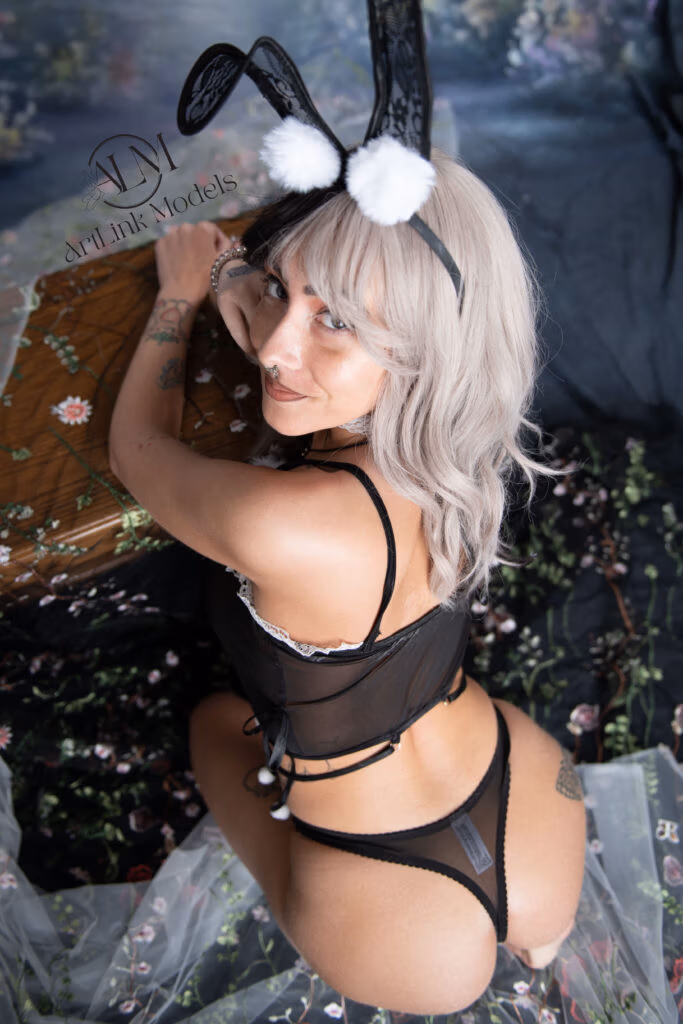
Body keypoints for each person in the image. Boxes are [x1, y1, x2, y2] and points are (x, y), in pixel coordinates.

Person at [188, 139, 586, 1015]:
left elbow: (134, 453)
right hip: (527, 804)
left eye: (335, 319)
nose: (275, 348)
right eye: (281, 292)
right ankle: (538, 931)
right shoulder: (454, 443)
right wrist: (259, 294)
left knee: (211, 720)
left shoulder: (276, 523)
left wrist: (180, 300)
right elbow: (309, 345)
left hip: (392, 916)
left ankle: (465, 941)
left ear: (413, 343)